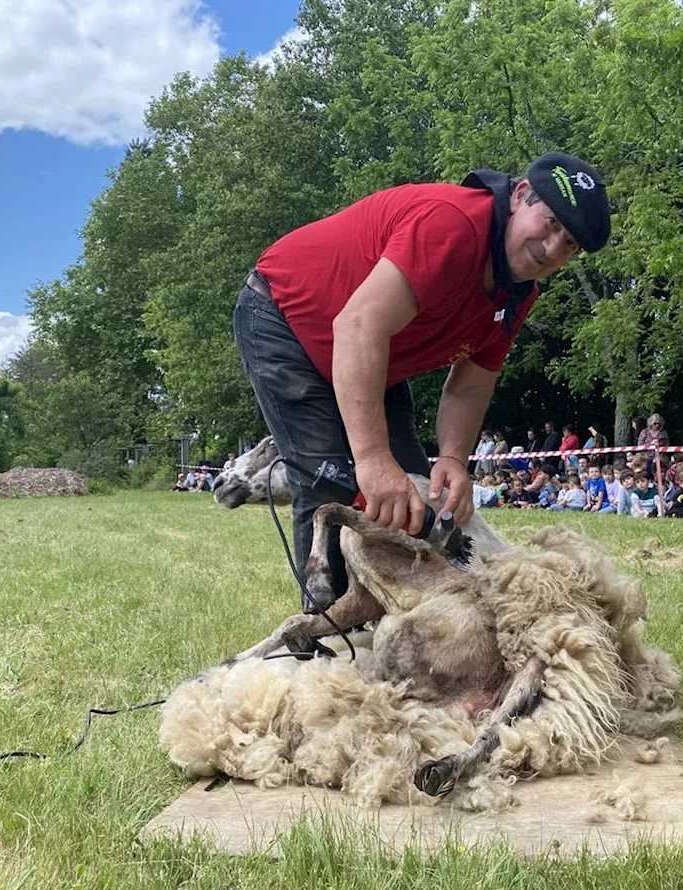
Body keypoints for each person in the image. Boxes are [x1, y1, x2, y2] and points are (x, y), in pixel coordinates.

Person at [233, 151, 611, 598]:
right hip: (287, 320)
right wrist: (372, 459)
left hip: (375, 356)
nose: (552, 249)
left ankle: (408, 626)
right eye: (550, 224)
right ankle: (327, 641)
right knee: (331, 484)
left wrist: (452, 459)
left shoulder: (518, 293)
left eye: (568, 244)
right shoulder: (450, 225)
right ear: (521, 196)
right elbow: (357, 326)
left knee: (417, 502)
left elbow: (473, 382)